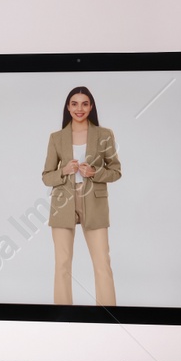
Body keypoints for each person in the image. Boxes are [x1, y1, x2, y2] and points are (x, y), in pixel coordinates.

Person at [41, 85, 121, 306]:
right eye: (74, 104)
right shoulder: (56, 137)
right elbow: (47, 177)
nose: (79, 108)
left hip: (94, 202)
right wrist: (64, 171)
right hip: (62, 202)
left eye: (85, 103)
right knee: (62, 263)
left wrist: (94, 172)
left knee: (102, 262)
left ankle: (108, 314)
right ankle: (63, 314)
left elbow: (116, 171)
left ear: (91, 106)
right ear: (68, 107)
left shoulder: (105, 135)